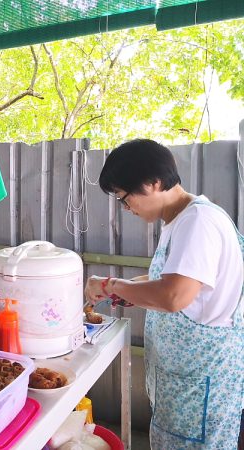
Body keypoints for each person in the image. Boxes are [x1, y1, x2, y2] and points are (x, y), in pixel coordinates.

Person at [84, 139, 244, 449]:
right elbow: (168, 279)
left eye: (124, 198)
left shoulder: (198, 221)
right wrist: (126, 290)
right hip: (185, 377)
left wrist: (109, 285)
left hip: (200, 381)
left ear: (154, 182)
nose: (126, 208)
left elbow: (174, 296)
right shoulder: (180, 219)